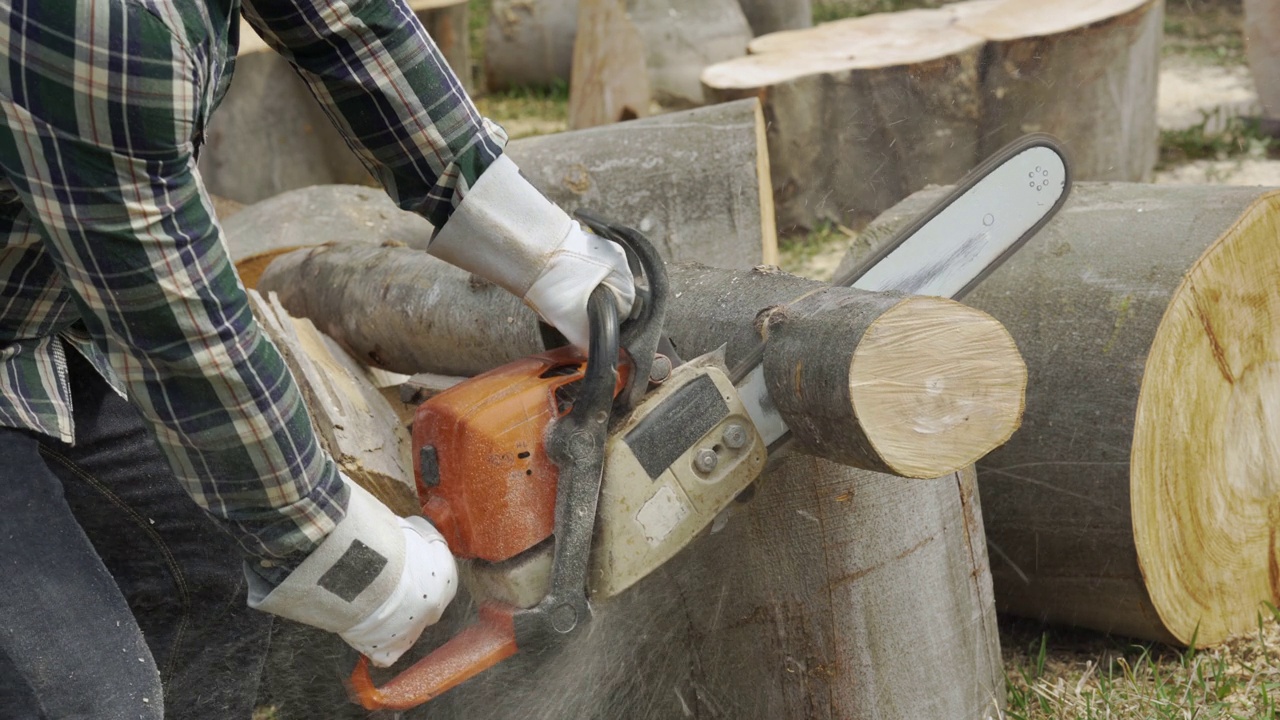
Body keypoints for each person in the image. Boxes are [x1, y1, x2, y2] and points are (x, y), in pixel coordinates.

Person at [0, 0, 635, 717]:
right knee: (86, 698)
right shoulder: (97, 19)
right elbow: (177, 329)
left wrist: (538, 246)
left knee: (206, 570)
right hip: (87, 311)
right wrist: (332, 546)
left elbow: (349, 23)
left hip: (37, 325)